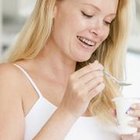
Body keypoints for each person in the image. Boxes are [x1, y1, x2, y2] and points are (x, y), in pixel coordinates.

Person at [0, 0, 139, 139]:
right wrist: (67, 112)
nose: (100, 31)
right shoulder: (9, 80)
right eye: (88, 14)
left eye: (107, 21)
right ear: (52, 6)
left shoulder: (106, 97)